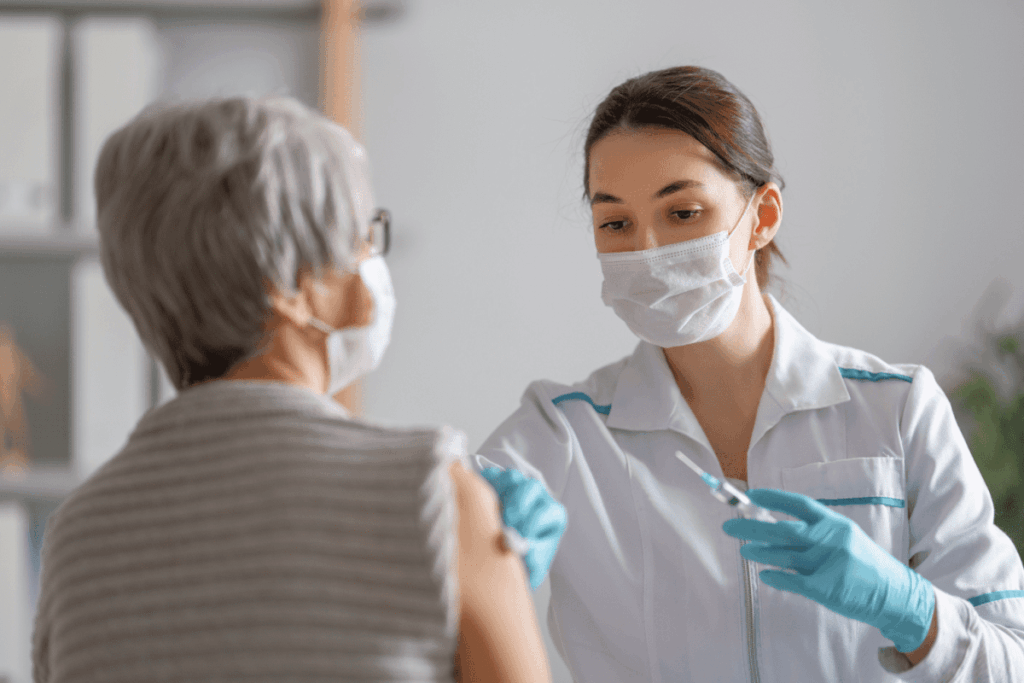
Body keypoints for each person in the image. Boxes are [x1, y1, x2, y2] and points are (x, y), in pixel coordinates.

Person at [475, 66, 1024, 682]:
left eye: (683, 213)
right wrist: (463, 530)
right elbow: (418, 541)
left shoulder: (897, 409)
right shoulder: (564, 430)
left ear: (761, 217)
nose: (647, 250)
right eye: (616, 223)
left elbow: (1012, 663)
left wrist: (909, 608)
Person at [31, 96, 556, 683]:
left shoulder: (78, 534)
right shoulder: (429, 491)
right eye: (361, 237)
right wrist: (481, 562)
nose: (370, 260)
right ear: (289, 285)